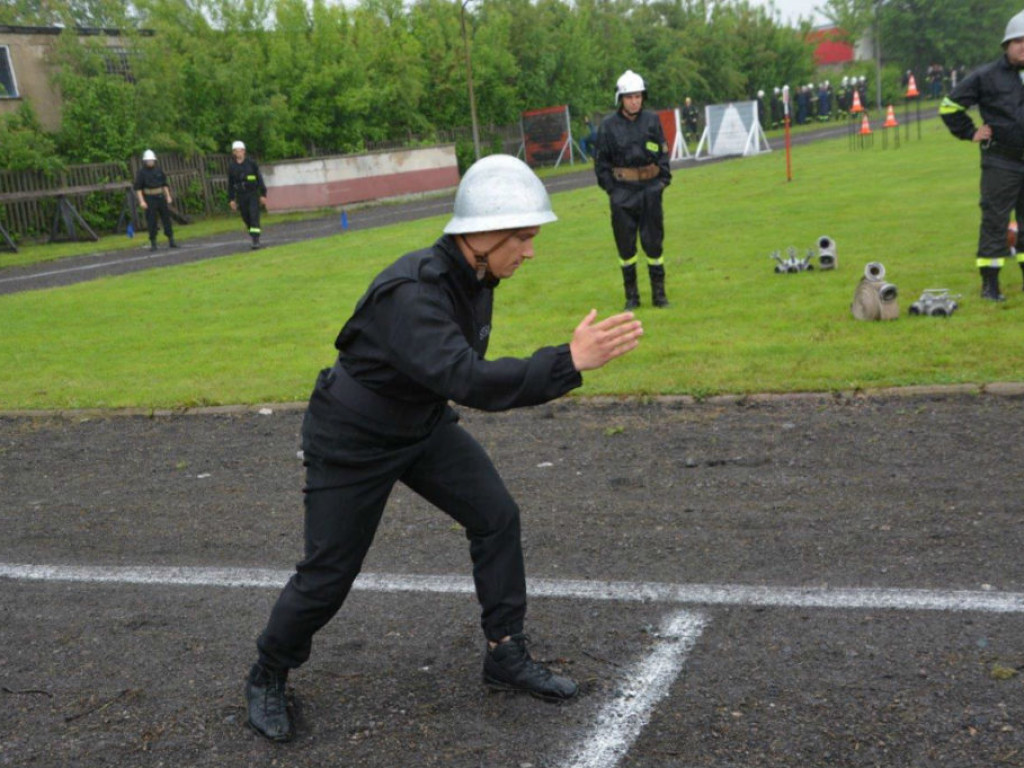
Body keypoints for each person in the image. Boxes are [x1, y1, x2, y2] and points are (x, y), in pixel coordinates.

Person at [243, 154, 644, 743]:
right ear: (483, 235)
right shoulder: (414, 292)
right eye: (524, 238)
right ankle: (268, 672)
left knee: (496, 515)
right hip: (353, 437)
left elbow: (457, 376)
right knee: (329, 573)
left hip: (420, 423)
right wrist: (569, 361)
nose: (530, 251)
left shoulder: (477, 276)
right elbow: (468, 379)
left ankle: (505, 652)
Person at [940, 9, 1024, 300]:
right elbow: (949, 106)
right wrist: (970, 132)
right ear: (1006, 45)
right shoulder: (986, 76)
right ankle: (990, 286)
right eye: (1019, 41)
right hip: (1001, 162)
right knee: (995, 222)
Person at [595, 70, 672, 309]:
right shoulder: (608, 126)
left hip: (650, 189)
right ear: (621, 98)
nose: (635, 101)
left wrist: (661, 183)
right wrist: (613, 191)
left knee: (654, 244)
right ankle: (632, 297)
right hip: (622, 194)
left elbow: (663, 152)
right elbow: (601, 163)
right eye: (629, 97)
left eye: (638, 96)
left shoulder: (652, 120)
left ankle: (659, 295)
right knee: (626, 247)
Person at [133, 149, 177, 251]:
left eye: (151, 160)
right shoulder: (141, 173)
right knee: (151, 221)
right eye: (148, 160)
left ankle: (171, 240)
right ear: (145, 161)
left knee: (166, 219)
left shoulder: (159, 170)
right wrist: (142, 201)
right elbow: (138, 188)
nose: (150, 162)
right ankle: (153, 243)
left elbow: (164, 184)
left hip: (160, 197)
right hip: (149, 198)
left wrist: (168, 196)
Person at [227, 140, 268, 250]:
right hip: (241, 195)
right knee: (246, 217)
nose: (238, 153)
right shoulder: (232, 167)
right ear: (234, 153)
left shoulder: (251, 164)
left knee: (254, 215)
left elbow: (259, 179)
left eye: (240, 151)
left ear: (244, 151)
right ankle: (253, 233)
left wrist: (263, 194)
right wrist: (231, 199)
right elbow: (230, 184)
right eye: (236, 151)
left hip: (252, 194)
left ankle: (255, 240)